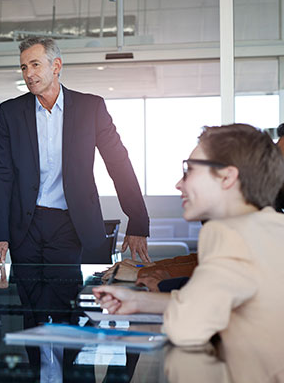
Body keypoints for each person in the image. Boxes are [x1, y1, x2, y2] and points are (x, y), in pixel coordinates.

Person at [94, 125, 284, 366]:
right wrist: (140, 302)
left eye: (189, 171)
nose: (178, 184)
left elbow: (188, 328)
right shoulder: (267, 229)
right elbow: (211, 305)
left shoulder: (225, 236)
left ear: (227, 177)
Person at [0, 37, 150, 267]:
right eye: (24, 67)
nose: (28, 74)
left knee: (65, 298)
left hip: (72, 223)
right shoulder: (10, 112)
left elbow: (118, 163)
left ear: (56, 66)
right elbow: (0, 175)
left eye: (35, 64)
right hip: (25, 227)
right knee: (26, 300)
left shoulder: (90, 108)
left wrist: (138, 220)